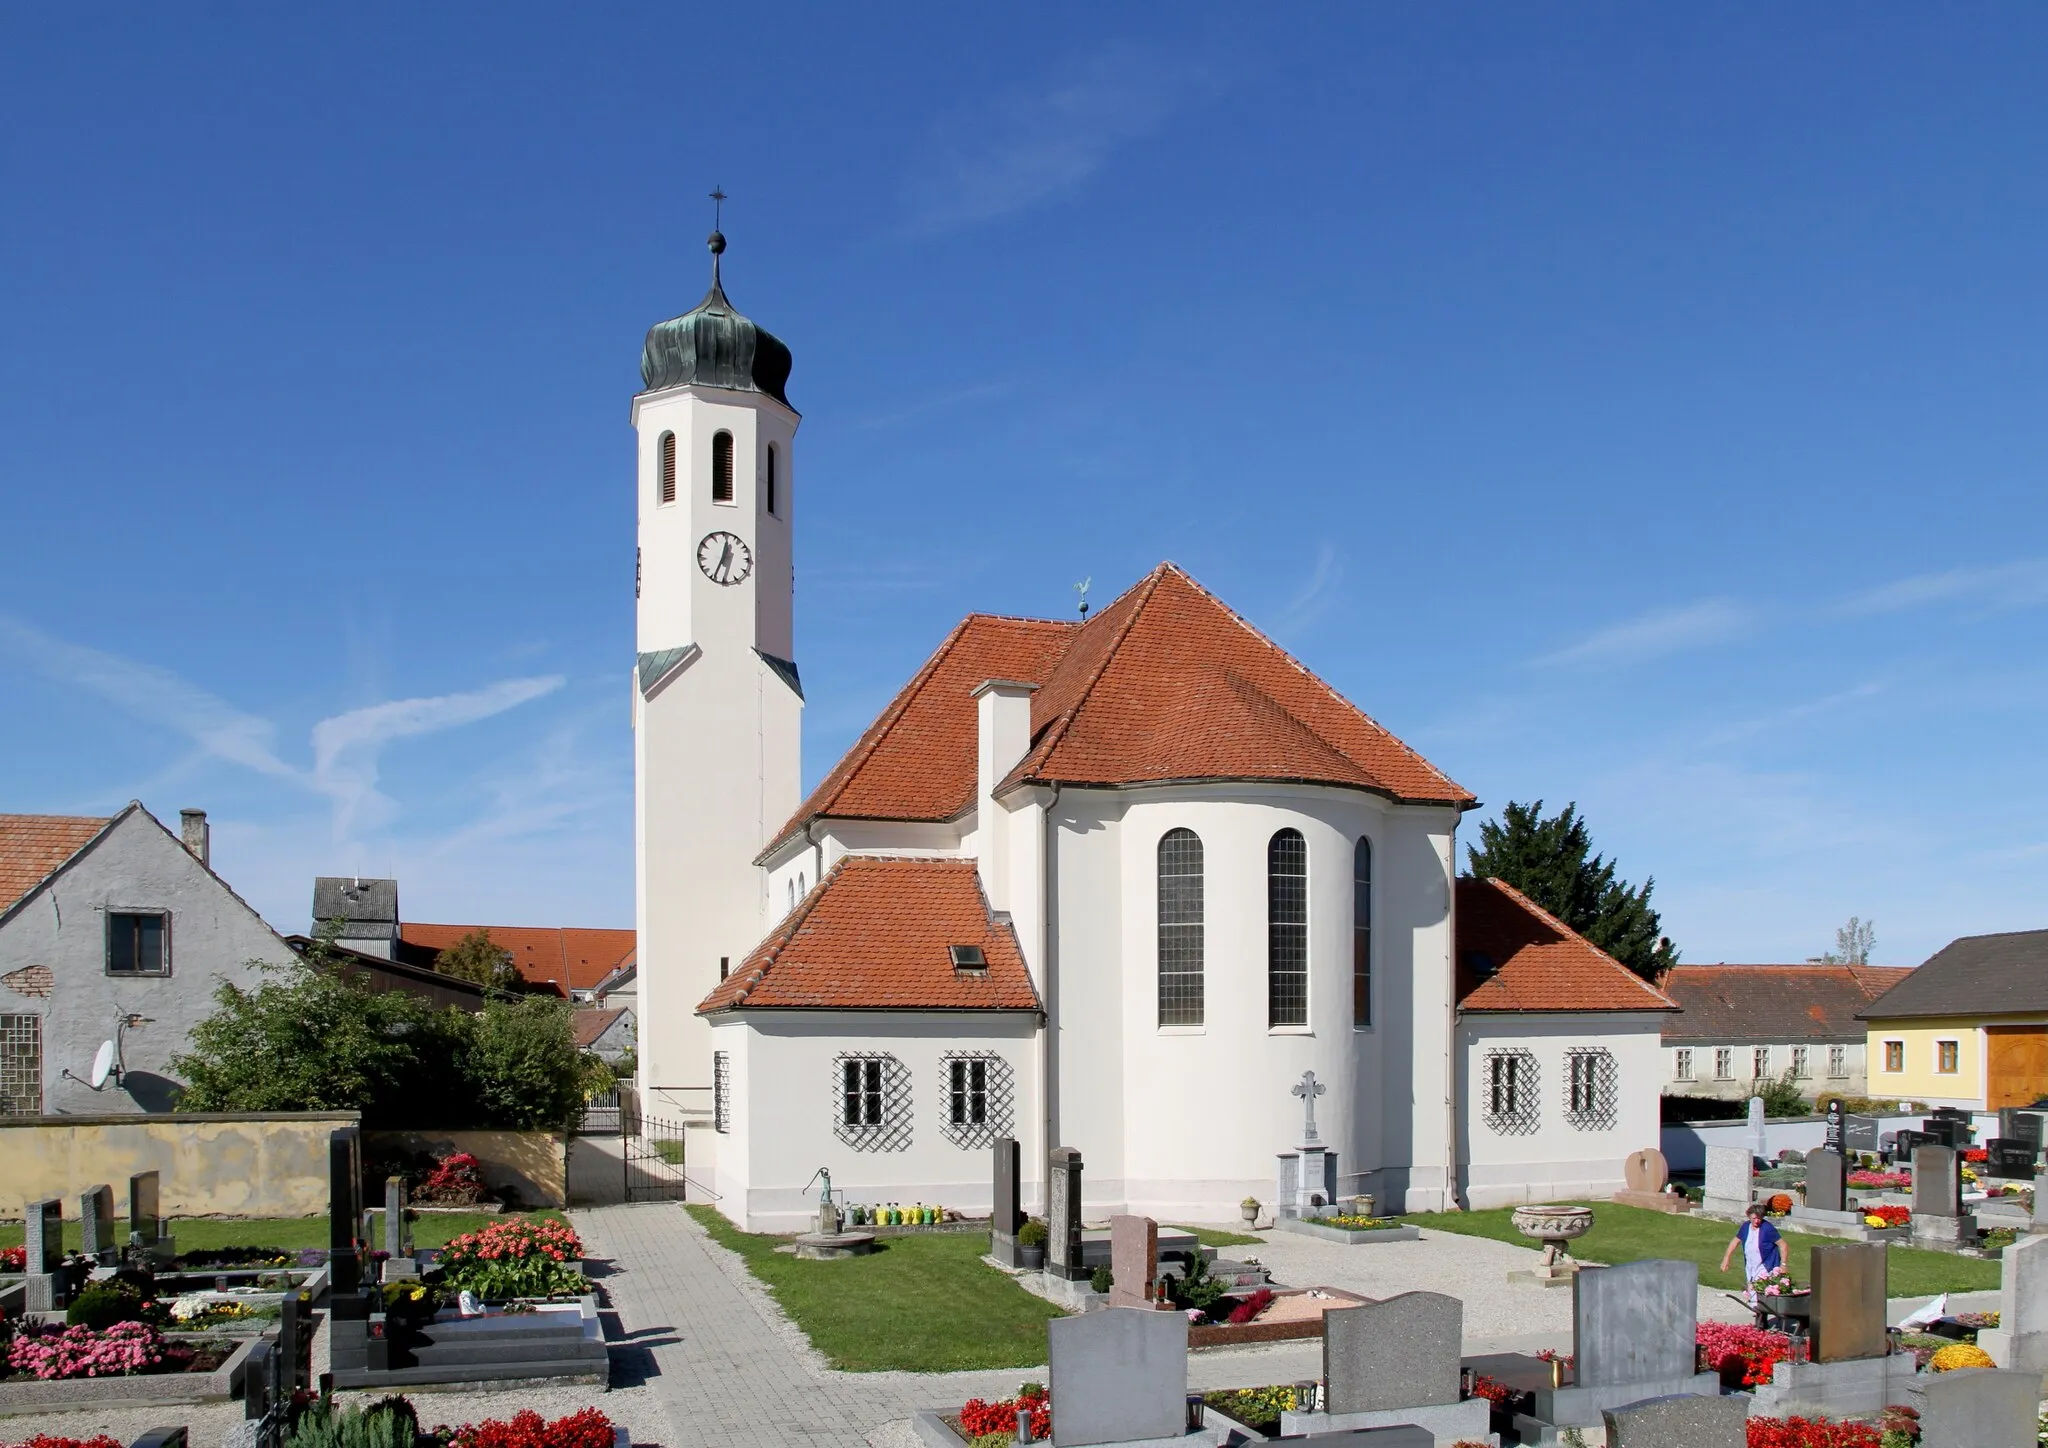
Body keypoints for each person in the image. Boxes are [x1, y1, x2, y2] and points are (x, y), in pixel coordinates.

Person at [1719, 1202, 1784, 1304]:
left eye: (1759, 1218)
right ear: (1749, 1216)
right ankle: (1757, 1313)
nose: (1757, 1221)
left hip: (1766, 1265)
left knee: (1760, 1291)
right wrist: (1726, 1259)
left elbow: (1783, 1245)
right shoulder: (1745, 1227)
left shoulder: (1768, 1228)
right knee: (1752, 1289)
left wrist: (1783, 1264)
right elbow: (1735, 1242)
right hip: (1750, 1264)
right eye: (1754, 1218)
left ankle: (1760, 1314)